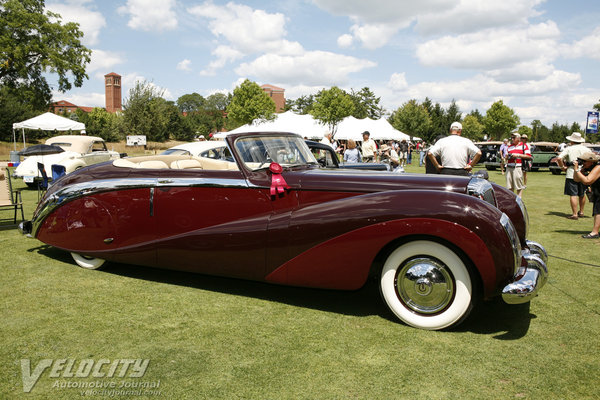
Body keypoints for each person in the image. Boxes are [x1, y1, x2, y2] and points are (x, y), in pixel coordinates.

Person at [556, 132, 589, 219]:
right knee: (582, 194)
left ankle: (575, 214)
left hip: (571, 173)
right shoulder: (586, 149)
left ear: (572, 141)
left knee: (573, 194)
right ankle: (581, 212)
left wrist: (562, 167)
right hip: (583, 173)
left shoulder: (569, 149)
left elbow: (559, 158)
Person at [573, 152, 600, 238]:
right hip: (597, 192)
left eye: (584, 161)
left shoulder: (598, 167)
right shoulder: (588, 168)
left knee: (598, 211)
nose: (583, 163)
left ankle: (595, 232)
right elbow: (576, 179)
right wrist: (576, 170)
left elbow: (587, 181)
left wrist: (577, 170)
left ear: (591, 162)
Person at [505, 131, 532, 197]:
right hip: (509, 167)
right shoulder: (509, 147)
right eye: (511, 137)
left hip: (518, 167)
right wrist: (507, 156)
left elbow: (528, 156)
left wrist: (517, 155)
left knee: (518, 186)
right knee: (509, 186)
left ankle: (519, 200)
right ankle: (512, 201)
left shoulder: (524, 146)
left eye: (514, 137)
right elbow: (506, 157)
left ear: (518, 138)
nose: (512, 139)